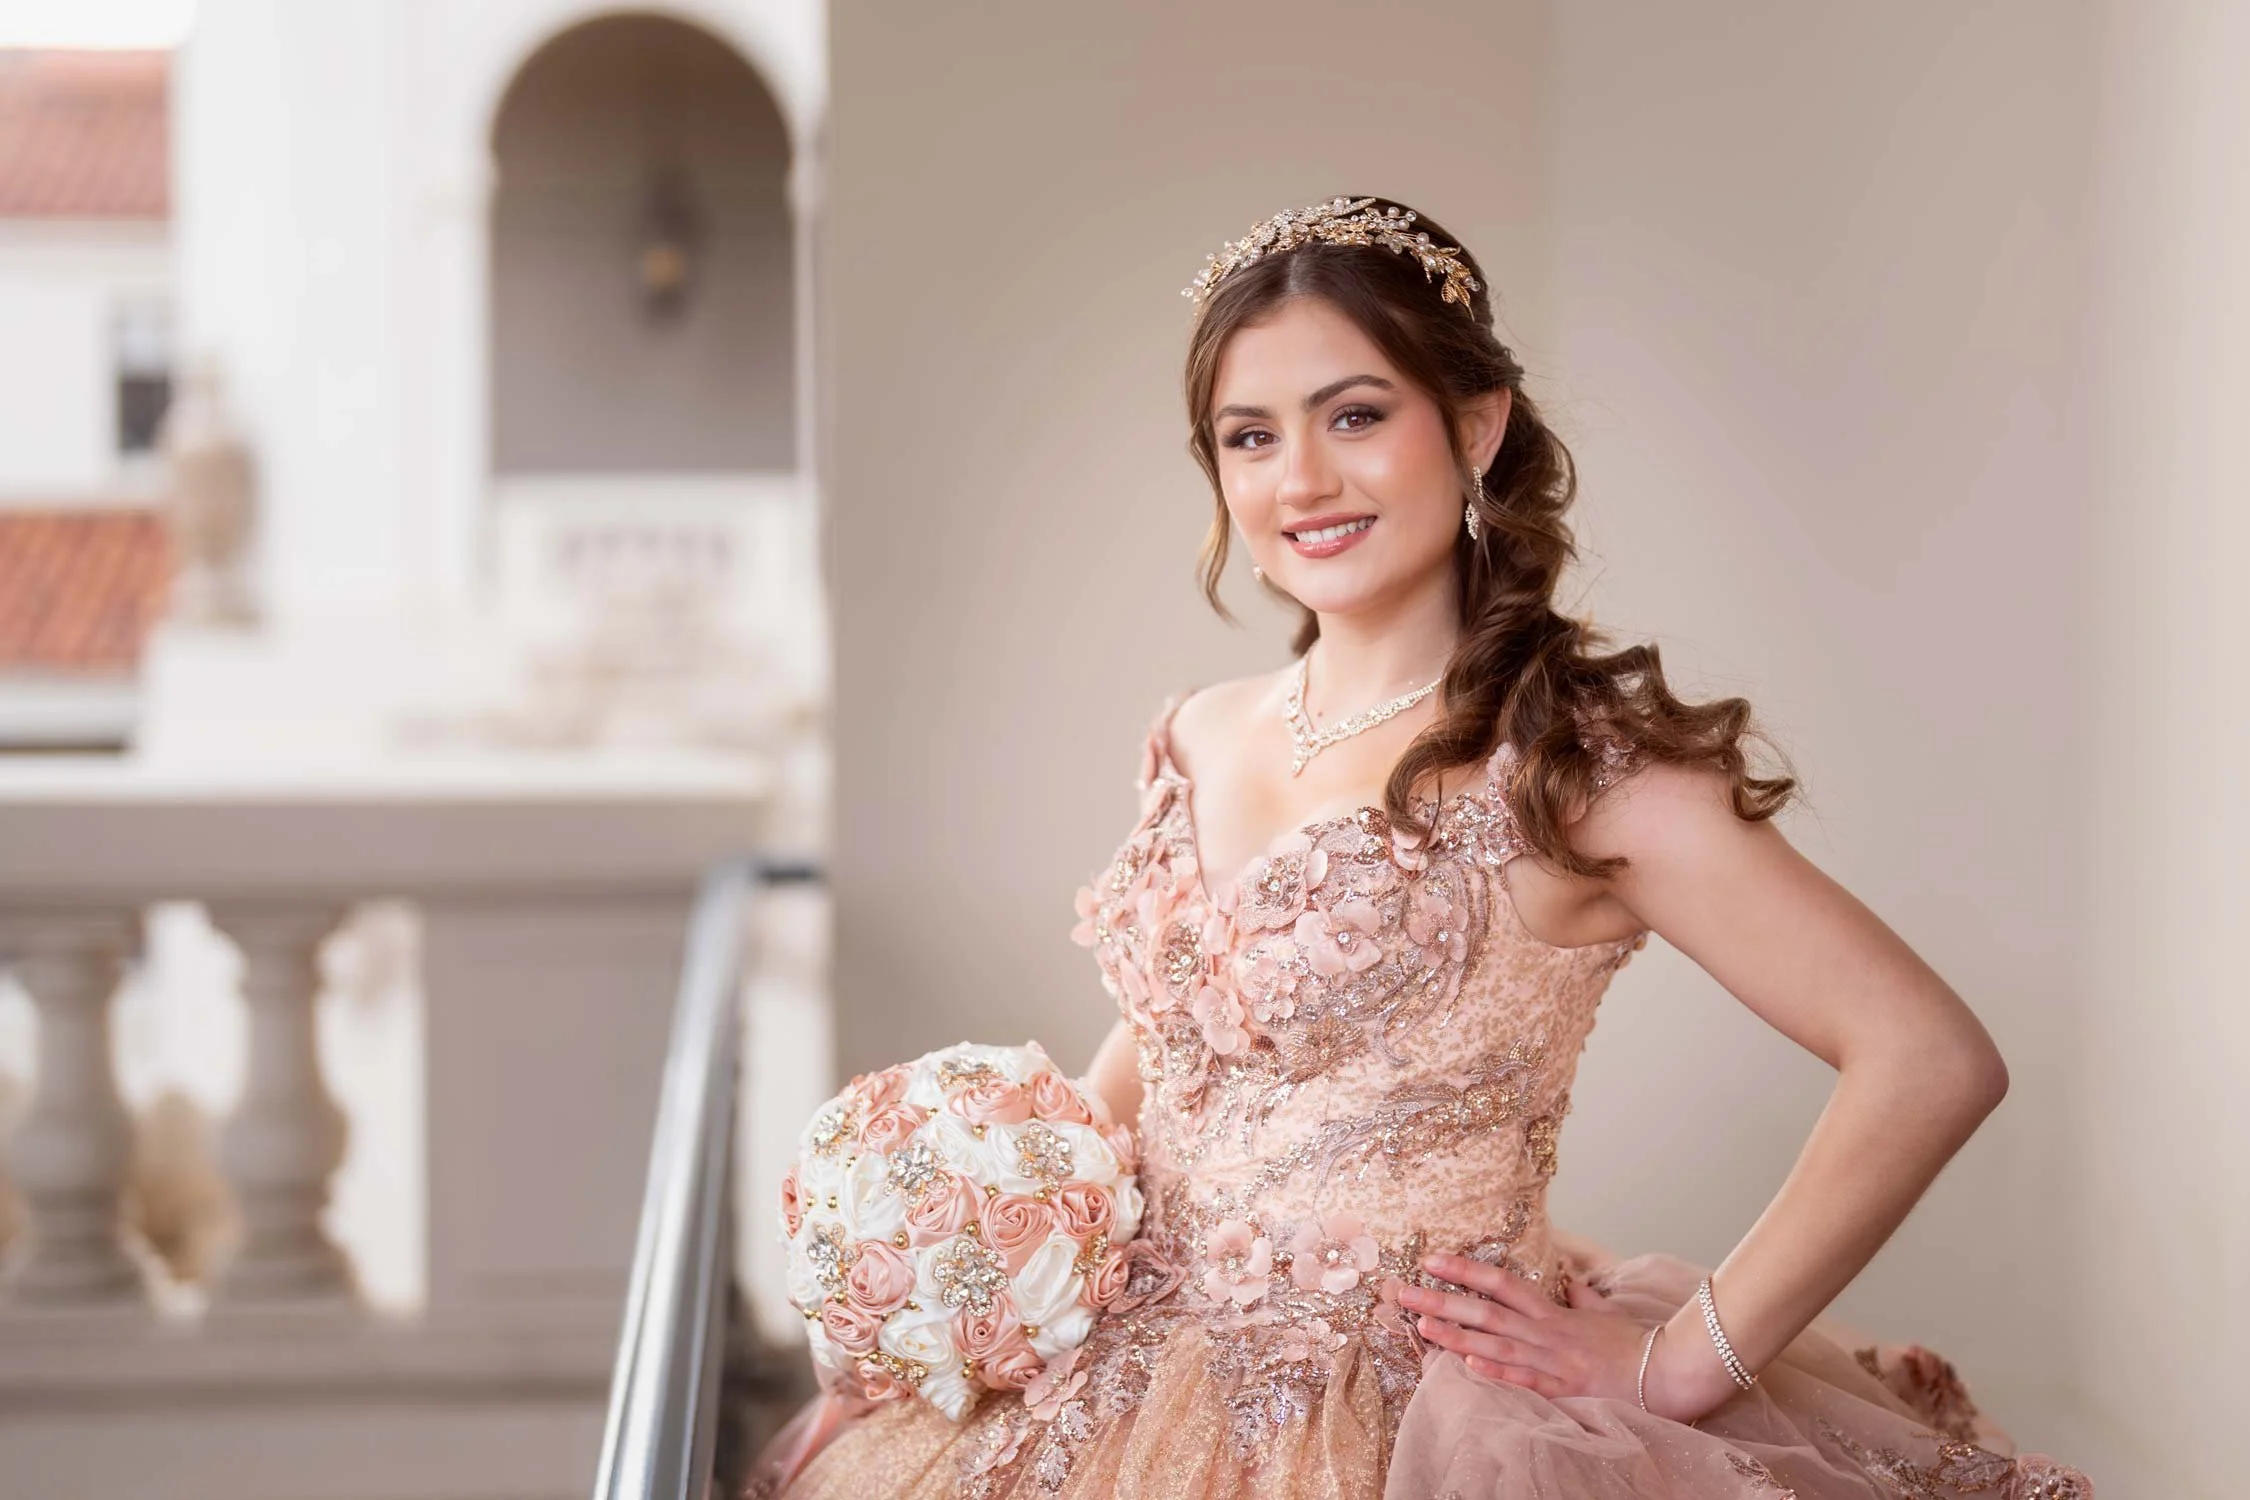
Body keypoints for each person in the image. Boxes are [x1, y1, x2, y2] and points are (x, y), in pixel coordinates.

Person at [746, 195, 2093, 1499]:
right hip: (1113, 1388)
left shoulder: (1569, 769)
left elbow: (1927, 1057)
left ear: (1475, 423)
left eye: (1353, 415)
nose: (1302, 480)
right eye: (1248, 436)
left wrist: (1688, 1363)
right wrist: (952, 1297)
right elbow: (1151, 1079)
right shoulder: (1199, 733)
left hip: (1412, 1424)